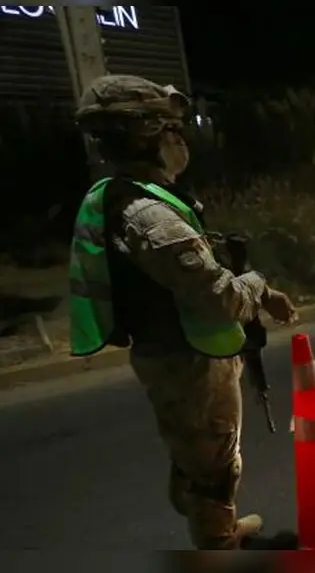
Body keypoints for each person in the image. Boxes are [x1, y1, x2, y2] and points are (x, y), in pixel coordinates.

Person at [67, 75, 299, 549]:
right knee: (213, 465)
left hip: (179, 351)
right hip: (188, 362)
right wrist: (260, 286)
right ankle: (219, 544)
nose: (180, 139)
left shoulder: (130, 195)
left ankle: (219, 528)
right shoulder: (147, 215)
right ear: (142, 134)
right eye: (170, 129)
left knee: (199, 456)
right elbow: (221, 298)